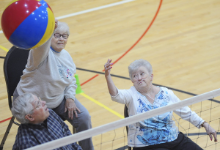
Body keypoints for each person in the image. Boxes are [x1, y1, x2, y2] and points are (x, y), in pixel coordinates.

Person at [13, 21, 93, 150]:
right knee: (48, 134)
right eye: (57, 35)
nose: (61, 38)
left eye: (64, 36)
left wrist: (70, 98)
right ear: (50, 37)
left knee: (84, 118)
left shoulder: (67, 56)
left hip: (57, 100)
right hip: (33, 104)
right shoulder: (40, 54)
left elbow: (71, 80)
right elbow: (40, 46)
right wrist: (48, 30)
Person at [104, 59, 217, 150]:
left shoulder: (166, 93)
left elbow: (185, 111)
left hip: (174, 139)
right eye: (135, 76)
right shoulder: (131, 95)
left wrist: (205, 124)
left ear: (151, 76)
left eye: (142, 74)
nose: (139, 78)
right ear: (132, 81)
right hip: (147, 146)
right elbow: (116, 95)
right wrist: (108, 75)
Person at [11, 93, 82, 150]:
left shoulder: (50, 113)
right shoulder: (27, 143)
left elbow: (66, 132)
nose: (44, 102)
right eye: (38, 104)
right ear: (30, 117)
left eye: (40, 100)